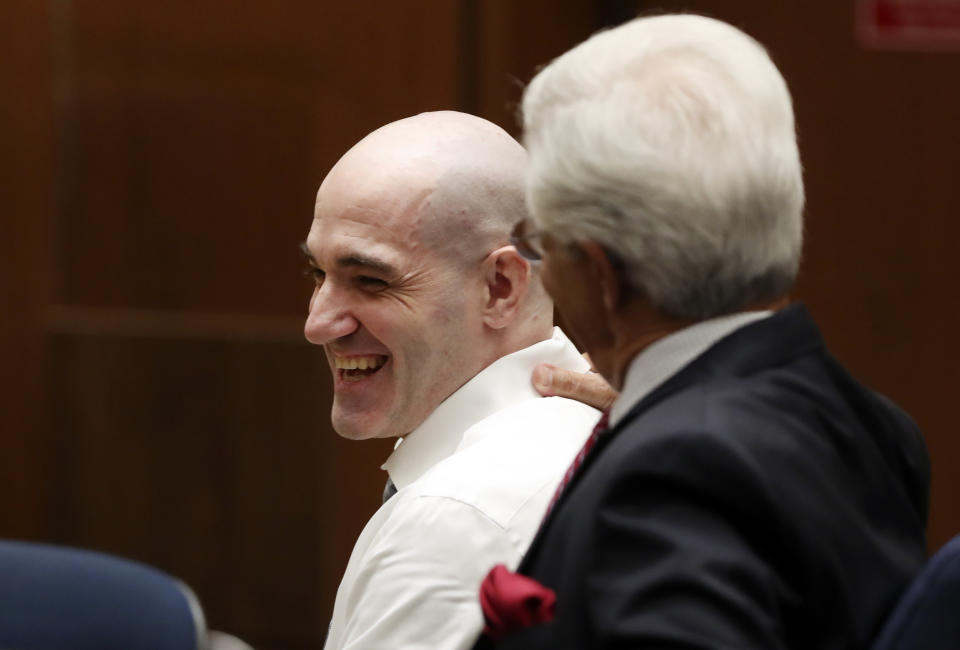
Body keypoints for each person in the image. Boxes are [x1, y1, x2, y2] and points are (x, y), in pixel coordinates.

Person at [477, 14, 930, 649]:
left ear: (602, 274)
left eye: (540, 243)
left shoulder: (671, 473)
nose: (536, 262)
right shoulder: (870, 423)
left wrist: (662, 435)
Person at [302, 111, 600, 649]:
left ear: (501, 287)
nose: (318, 324)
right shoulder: (608, 432)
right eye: (318, 275)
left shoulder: (451, 517)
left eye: (370, 280)